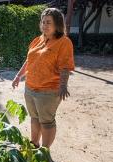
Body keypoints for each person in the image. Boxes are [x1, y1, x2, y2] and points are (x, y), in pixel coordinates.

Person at [12, 8, 75, 149]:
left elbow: (65, 67)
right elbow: (29, 61)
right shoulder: (37, 40)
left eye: (49, 22)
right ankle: (34, 144)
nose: (45, 25)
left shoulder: (64, 42)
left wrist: (63, 85)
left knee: (46, 121)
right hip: (30, 88)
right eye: (43, 22)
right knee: (34, 118)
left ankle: (45, 151)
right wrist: (18, 76)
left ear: (57, 24)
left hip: (48, 91)